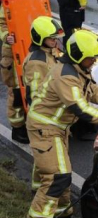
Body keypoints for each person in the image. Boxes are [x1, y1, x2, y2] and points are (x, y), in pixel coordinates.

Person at [26, 30, 98, 218]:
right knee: (58, 175)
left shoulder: (77, 70)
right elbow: (81, 109)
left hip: (56, 127)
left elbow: (93, 91)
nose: (93, 62)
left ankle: (61, 212)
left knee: (62, 170)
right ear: (79, 56)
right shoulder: (65, 77)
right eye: (90, 59)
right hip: (45, 127)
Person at [0, 0, 49, 144]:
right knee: (16, 93)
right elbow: (2, 25)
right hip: (14, 54)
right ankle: (17, 128)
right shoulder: (10, 2)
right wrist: (8, 37)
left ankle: (30, 123)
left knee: (33, 89)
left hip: (32, 51)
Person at [22, 16, 64, 192]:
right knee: (48, 158)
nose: (55, 41)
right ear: (40, 38)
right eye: (52, 38)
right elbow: (36, 94)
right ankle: (41, 191)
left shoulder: (47, 54)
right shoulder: (37, 62)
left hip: (49, 115)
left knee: (43, 156)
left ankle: (37, 187)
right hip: (44, 117)